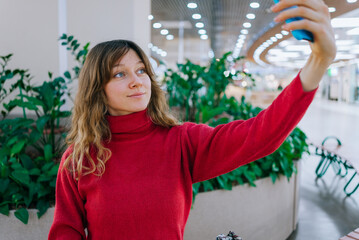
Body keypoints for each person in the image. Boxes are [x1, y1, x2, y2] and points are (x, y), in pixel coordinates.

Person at [48, 0, 336, 239]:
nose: (137, 81)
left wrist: (319, 61)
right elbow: (66, 232)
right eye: (120, 74)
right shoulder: (80, 159)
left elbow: (259, 134)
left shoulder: (180, 141)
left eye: (141, 70)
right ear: (98, 88)